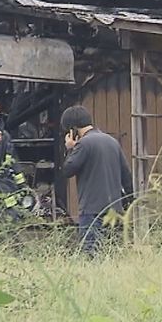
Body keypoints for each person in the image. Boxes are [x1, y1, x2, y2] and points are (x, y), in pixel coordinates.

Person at [60, 105, 134, 255]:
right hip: (114, 210)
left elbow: (68, 170)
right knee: (111, 254)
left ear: (72, 130)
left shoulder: (84, 144)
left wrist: (70, 149)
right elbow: (127, 176)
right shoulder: (112, 142)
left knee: (91, 254)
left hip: (91, 210)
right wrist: (128, 201)